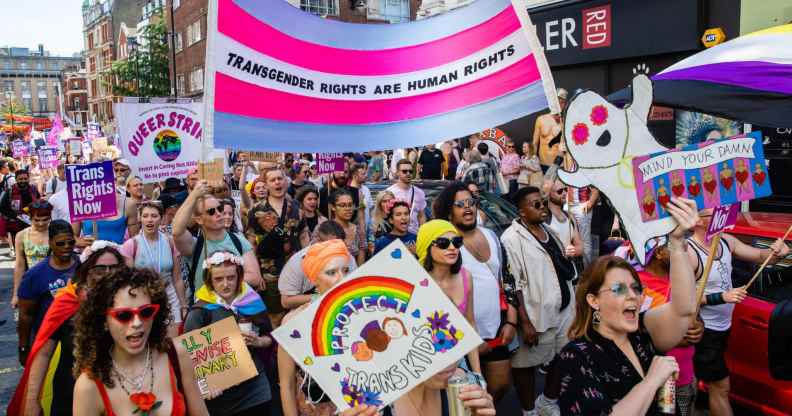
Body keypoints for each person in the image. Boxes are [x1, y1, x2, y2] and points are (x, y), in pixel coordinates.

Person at [556, 198, 700, 415]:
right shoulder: (576, 356)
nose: (633, 296)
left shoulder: (644, 332)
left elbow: (684, 309)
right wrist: (652, 381)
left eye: (636, 288)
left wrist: (677, 243)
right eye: (619, 289)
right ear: (594, 300)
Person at [687, 208, 790, 416]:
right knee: (719, 387)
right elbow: (685, 300)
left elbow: (761, 256)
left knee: (695, 384)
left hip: (723, 327)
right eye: (712, 214)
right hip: (702, 331)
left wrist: (778, 253)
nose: (720, 216)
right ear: (697, 221)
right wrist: (721, 297)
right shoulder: (689, 252)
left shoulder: (725, 240)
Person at [72, 267, 208, 416]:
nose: (137, 323)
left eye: (146, 312)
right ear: (104, 320)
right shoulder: (89, 385)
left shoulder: (177, 354)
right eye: (124, 315)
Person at [8, 242, 125, 416]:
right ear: (86, 271)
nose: (108, 274)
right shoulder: (67, 301)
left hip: (117, 392)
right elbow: (43, 353)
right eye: (100, 269)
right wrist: (32, 401)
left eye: (114, 269)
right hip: (69, 393)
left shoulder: (131, 304)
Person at [433, 182, 520, 403]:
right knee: (465, 394)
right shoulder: (446, 244)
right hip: (464, 334)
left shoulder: (491, 235)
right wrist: (469, 338)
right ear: (449, 211)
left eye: (470, 202)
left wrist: (511, 321)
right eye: (459, 204)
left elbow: (507, 277)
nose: (467, 208)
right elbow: (439, 293)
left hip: (497, 325)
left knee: (500, 385)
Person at [500, 186, 579, 416]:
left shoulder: (547, 229)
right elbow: (514, 283)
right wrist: (525, 322)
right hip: (536, 313)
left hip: (563, 308)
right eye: (536, 204)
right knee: (526, 364)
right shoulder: (511, 239)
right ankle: (528, 410)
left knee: (562, 357)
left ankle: (548, 399)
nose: (543, 207)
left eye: (543, 203)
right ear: (522, 211)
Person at [184, 251, 273, 416]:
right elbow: (189, 357)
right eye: (218, 279)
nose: (225, 284)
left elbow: (270, 337)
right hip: (221, 398)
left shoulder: (251, 301)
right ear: (209, 280)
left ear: (239, 276)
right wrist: (204, 386)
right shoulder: (200, 311)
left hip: (256, 389)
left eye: (231, 277)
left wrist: (259, 342)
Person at [279, 239, 353, 416]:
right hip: (316, 409)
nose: (341, 278)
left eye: (345, 270)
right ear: (314, 279)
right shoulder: (294, 322)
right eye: (331, 272)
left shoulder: (361, 312)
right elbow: (287, 385)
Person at [637, 238, 704, 416]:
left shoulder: (681, 279)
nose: (685, 248)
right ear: (658, 253)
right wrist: (674, 337)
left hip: (686, 375)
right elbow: (636, 333)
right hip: (662, 381)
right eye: (674, 246)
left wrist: (699, 329)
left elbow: (694, 316)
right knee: (666, 412)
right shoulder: (636, 286)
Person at [172, 180, 263, 301]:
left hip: (237, 307)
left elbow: (254, 277)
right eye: (211, 211)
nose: (219, 213)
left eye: (219, 208)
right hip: (207, 312)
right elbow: (176, 231)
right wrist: (194, 195)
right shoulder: (194, 245)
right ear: (199, 219)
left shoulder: (238, 240)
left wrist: (222, 280)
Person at [416, 219, 482, 374]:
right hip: (423, 367)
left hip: (458, 364)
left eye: (457, 242)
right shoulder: (416, 283)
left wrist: (477, 372)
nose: (452, 247)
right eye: (443, 243)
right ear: (426, 247)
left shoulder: (466, 277)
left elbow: (470, 325)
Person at [120, 201, 188, 336]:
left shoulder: (170, 242)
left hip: (169, 295)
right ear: (139, 218)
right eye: (145, 216)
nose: (149, 220)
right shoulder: (130, 245)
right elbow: (128, 282)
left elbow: (178, 278)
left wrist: (183, 305)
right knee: (151, 339)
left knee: (173, 340)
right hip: (144, 298)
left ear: (161, 218)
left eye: (154, 216)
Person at [16, 220, 79, 364]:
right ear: (50, 243)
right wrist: (23, 348)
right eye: (60, 243)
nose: (67, 247)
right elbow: (25, 315)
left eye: (70, 242)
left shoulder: (84, 266)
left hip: (76, 342)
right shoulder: (34, 275)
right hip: (47, 343)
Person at [246, 168, 302, 325]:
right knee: (274, 316)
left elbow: (304, 236)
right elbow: (250, 243)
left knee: (296, 314)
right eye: (273, 180)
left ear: (286, 181)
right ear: (266, 185)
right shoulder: (256, 210)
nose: (277, 182)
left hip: (295, 270)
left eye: (280, 178)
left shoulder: (297, 206)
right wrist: (256, 273)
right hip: (269, 273)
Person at [279, 221, 357, 310]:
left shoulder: (347, 258)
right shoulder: (297, 262)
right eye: (329, 245)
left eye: (338, 246)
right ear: (317, 241)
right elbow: (286, 301)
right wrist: (320, 297)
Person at [12, 201, 52, 309]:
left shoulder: (55, 233)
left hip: (53, 286)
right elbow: (20, 265)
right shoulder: (21, 235)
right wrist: (16, 294)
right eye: (36, 220)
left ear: (50, 217)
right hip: (31, 284)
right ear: (30, 217)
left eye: (45, 220)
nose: (41, 223)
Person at [546, 180, 585, 274]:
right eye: (559, 191)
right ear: (548, 194)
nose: (564, 193)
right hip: (553, 271)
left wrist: (573, 251)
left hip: (569, 269)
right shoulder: (544, 218)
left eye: (565, 190)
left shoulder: (569, 216)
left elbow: (580, 246)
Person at [386, 159, 426, 235]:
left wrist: (422, 234)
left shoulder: (419, 192)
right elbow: (384, 216)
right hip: (395, 236)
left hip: (414, 236)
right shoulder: (389, 192)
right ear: (397, 173)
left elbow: (421, 216)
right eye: (404, 171)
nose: (408, 173)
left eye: (410, 171)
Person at [0, 169, 41, 241]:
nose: (23, 181)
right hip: (16, 227)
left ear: (28, 178)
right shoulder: (10, 191)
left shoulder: (33, 189)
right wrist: (16, 216)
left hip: (33, 225)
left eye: (25, 179)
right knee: (19, 249)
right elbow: (3, 208)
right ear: (16, 179)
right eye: (20, 179)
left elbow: (38, 200)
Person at [532, 88, 567, 171]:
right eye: (557, 101)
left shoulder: (566, 121)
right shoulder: (541, 119)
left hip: (560, 164)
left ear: (564, 104)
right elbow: (535, 143)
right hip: (543, 164)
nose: (559, 105)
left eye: (562, 102)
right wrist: (533, 162)